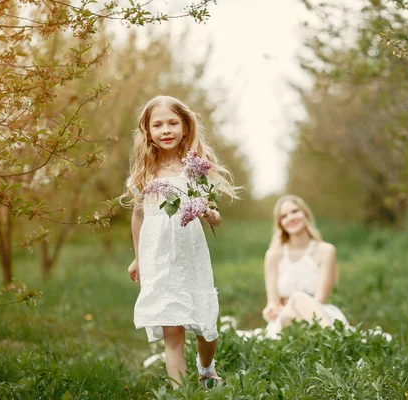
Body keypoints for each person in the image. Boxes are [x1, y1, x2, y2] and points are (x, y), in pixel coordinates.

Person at [119, 95, 238, 388]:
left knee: (206, 329)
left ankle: (205, 367)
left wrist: (211, 215)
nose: (166, 130)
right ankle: (182, 393)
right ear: (147, 131)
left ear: (185, 126)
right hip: (159, 258)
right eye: (157, 125)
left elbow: (216, 213)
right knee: (172, 332)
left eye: (172, 123)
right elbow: (138, 217)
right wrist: (138, 257)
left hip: (190, 255)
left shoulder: (197, 169)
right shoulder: (144, 174)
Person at [262, 195, 348, 338]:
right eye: (284, 216)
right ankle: (331, 340)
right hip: (284, 318)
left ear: (305, 214)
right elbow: (273, 302)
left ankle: (328, 334)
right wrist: (270, 310)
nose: (290, 218)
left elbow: (321, 299)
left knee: (297, 298)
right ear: (280, 224)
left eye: (295, 211)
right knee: (286, 316)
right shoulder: (273, 255)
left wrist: (297, 303)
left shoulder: (326, 251)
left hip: (318, 316)